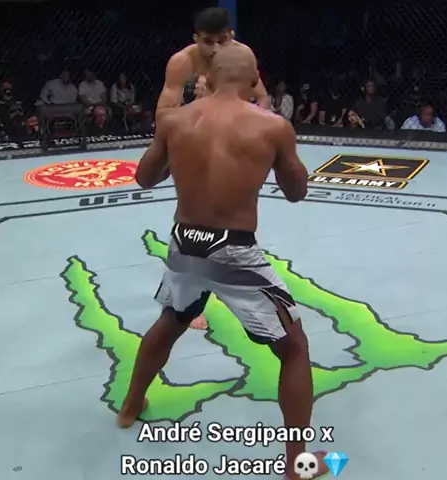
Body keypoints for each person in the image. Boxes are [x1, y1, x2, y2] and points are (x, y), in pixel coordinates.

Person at [118, 45, 329, 480]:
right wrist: (277, 147)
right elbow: (296, 192)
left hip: (184, 243)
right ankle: (296, 464)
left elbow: (144, 177)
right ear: (254, 80)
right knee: (293, 348)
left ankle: (131, 406)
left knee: (171, 320)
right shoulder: (272, 126)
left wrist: (178, 154)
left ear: (208, 78)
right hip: (233, 250)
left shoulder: (175, 120)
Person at [155, 6, 270, 330]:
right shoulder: (183, 62)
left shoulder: (242, 57)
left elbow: (263, 100)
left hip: (233, 137)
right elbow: (165, 113)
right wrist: (201, 107)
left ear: (231, 35)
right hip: (192, 137)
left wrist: (238, 118)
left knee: (231, 214)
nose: (216, 48)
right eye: (208, 41)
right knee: (195, 215)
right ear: (196, 38)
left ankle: (224, 285)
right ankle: (187, 300)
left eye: (223, 40)